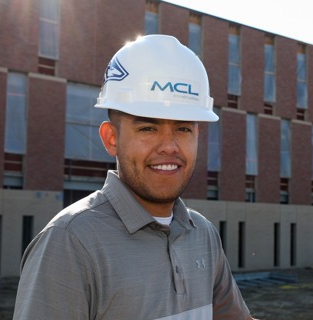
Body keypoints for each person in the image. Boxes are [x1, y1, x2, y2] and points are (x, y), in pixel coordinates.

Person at [13, 34, 255, 319]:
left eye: (183, 129)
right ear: (111, 138)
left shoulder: (202, 233)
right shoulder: (70, 242)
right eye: (148, 128)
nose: (169, 146)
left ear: (197, 135)